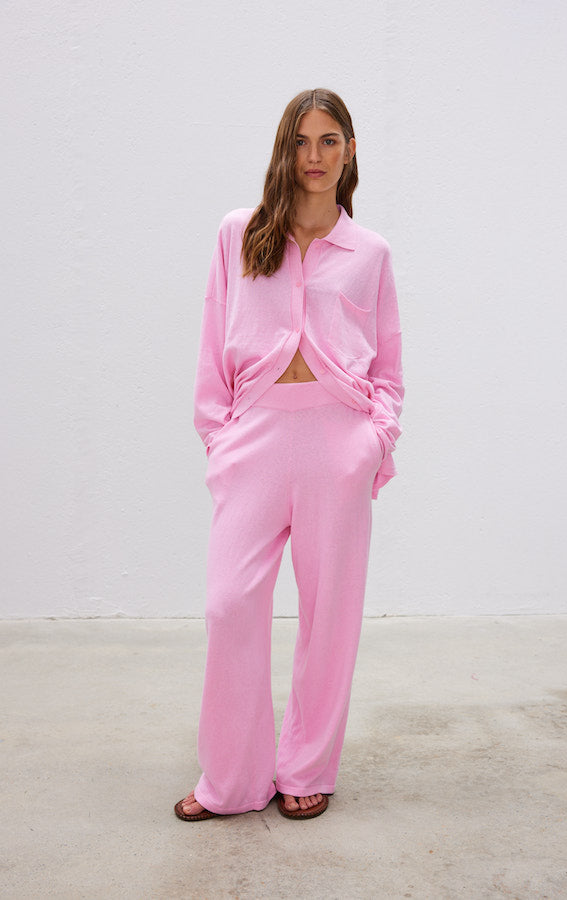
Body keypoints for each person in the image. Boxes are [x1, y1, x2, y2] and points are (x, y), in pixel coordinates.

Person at [175, 88, 404, 822]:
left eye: (329, 140)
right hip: (256, 440)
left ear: (350, 150)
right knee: (229, 605)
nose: (314, 156)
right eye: (302, 141)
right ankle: (232, 779)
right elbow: (213, 335)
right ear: (285, 147)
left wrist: (375, 439)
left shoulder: (370, 253)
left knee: (329, 615)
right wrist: (219, 437)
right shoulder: (240, 233)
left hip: (339, 443)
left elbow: (388, 365)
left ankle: (307, 767)